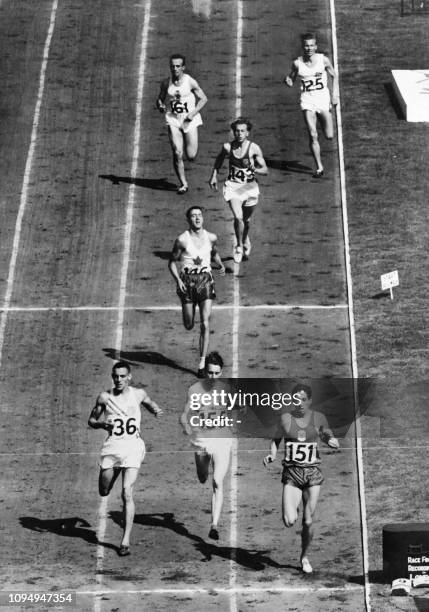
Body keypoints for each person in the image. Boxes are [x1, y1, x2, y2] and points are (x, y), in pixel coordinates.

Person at [88, 361, 163, 556]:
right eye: (115, 376)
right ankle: (113, 473)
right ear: (112, 377)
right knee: (104, 491)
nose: (118, 379)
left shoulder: (138, 394)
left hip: (132, 448)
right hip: (112, 449)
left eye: (122, 376)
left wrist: (156, 410)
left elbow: (149, 402)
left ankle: (125, 541)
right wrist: (103, 425)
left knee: (127, 493)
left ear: (129, 377)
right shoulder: (104, 398)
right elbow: (92, 420)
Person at [263, 383, 339, 574]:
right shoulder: (285, 419)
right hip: (292, 474)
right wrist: (272, 454)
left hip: (312, 474)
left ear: (310, 401)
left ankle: (304, 557)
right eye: (296, 399)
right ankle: (295, 503)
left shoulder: (318, 418)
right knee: (289, 520)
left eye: (303, 399)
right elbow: (275, 440)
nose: (300, 403)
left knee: (307, 522)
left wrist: (331, 441)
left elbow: (326, 434)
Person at [180, 352, 233, 540]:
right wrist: (186, 426)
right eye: (210, 373)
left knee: (217, 481)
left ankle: (214, 525)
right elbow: (185, 414)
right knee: (203, 477)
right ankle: (201, 469)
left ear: (221, 372)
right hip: (202, 441)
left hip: (222, 441)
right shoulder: (195, 390)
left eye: (217, 373)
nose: (213, 377)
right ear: (205, 372)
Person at [169, 206, 225, 377]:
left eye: (199, 215)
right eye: (193, 216)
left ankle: (202, 363)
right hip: (188, 282)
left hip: (205, 281)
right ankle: (188, 308)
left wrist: (220, 264)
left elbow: (214, 253)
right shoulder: (182, 240)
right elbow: (172, 262)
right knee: (189, 325)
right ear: (188, 220)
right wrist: (178, 280)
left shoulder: (211, 237)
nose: (197, 218)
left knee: (205, 323)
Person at [209, 117, 267, 263]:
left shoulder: (254, 148)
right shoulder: (228, 147)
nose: (239, 133)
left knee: (246, 221)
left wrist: (256, 170)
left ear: (247, 133)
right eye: (237, 131)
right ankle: (239, 246)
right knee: (238, 217)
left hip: (249, 187)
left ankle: (245, 238)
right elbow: (219, 159)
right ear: (233, 132)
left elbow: (265, 170)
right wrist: (214, 176)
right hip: (233, 186)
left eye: (242, 131)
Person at [284, 33, 339, 178]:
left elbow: (334, 75)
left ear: (316, 46)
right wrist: (288, 81)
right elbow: (292, 77)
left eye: (311, 45)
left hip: (322, 100)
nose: (309, 48)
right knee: (313, 135)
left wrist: (335, 94)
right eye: (306, 46)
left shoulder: (323, 60)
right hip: (307, 101)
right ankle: (319, 168)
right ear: (303, 47)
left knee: (329, 136)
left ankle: (323, 119)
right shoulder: (297, 63)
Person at [156, 53, 208, 194]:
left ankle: (188, 151)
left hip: (189, 120)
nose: (175, 69)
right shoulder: (166, 83)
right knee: (177, 152)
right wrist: (160, 106)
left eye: (178, 66)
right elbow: (160, 99)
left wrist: (193, 113)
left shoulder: (190, 82)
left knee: (191, 155)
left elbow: (203, 99)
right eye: (172, 66)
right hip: (173, 119)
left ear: (183, 67)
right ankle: (183, 184)